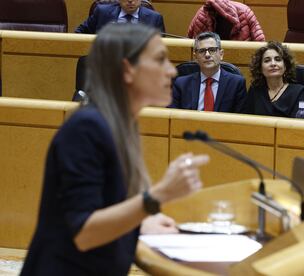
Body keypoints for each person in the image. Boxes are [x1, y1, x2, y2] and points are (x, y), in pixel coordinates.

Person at [21, 24, 209, 275]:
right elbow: (84, 232)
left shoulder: (121, 124)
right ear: (127, 69)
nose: (172, 71)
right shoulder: (86, 129)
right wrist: (158, 196)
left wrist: (140, 223)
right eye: (160, 60)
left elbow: (107, 206)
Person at [169, 32, 247, 113]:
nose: (207, 55)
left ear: (221, 54)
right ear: (196, 57)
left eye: (212, 50)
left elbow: (241, 120)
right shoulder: (181, 84)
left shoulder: (236, 84)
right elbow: (172, 117)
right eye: (202, 51)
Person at [243, 41, 304, 118]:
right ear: (260, 68)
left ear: (285, 66)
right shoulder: (255, 90)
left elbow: (300, 125)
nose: (273, 64)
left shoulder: (298, 92)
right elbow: (246, 121)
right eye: (267, 60)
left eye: (278, 59)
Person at [187, 0, 265, 41]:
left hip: (239, 57)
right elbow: (189, 41)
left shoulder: (244, 12)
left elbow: (260, 42)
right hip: (210, 62)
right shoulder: (201, 14)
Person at [75, 0, 165, 34]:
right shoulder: (102, 12)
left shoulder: (155, 18)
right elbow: (80, 33)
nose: (130, 1)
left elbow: (161, 47)